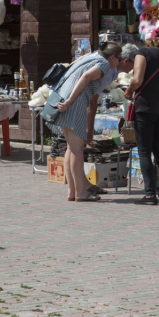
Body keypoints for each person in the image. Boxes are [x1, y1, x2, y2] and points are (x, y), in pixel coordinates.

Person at [51, 41, 123, 202]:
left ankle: (72, 191)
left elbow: (70, 67)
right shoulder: (104, 63)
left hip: (59, 97)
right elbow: (86, 77)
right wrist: (70, 100)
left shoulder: (90, 56)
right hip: (74, 102)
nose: (120, 62)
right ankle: (81, 193)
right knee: (77, 149)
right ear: (113, 57)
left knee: (71, 147)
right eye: (119, 58)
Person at [125, 28, 159, 205]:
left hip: (145, 106)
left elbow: (137, 79)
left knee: (144, 150)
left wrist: (129, 90)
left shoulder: (143, 52)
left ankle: (149, 194)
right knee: (157, 147)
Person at [86, 43, 138, 145]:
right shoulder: (108, 70)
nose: (135, 68)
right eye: (135, 64)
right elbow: (92, 101)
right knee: (75, 148)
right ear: (126, 61)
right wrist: (89, 131)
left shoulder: (112, 69)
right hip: (72, 104)